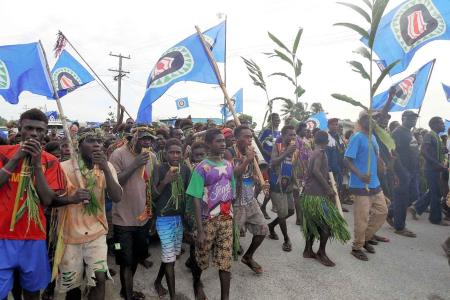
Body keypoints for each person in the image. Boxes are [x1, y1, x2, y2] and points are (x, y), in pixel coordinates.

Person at [0, 109, 66, 300]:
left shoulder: (51, 161)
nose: (34, 134)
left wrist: (37, 164)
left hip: (34, 236)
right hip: (3, 235)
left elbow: (47, 199)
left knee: (32, 291)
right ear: (20, 129)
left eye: (39, 130)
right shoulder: (3, 153)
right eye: (29, 128)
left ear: (45, 132)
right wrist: (16, 159)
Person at [56, 131, 122, 300]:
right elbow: (50, 200)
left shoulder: (107, 167)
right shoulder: (64, 168)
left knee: (99, 279)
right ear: (78, 145)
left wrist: (106, 168)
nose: (97, 144)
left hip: (97, 233)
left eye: (99, 141)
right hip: (70, 236)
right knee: (73, 286)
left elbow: (117, 197)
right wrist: (72, 198)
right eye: (91, 141)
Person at [109, 127, 158, 300]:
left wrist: (151, 213)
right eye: (144, 138)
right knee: (125, 260)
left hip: (141, 218)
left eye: (150, 139)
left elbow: (149, 186)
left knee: (137, 257)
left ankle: (125, 290)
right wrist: (136, 163)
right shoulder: (118, 154)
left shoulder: (151, 156)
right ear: (133, 138)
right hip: (122, 220)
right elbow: (115, 182)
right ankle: (128, 296)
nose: (147, 142)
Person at [186, 128, 235, 300]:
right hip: (207, 221)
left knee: (225, 261)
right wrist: (199, 230)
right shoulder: (201, 168)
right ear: (208, 144)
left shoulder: (229, 165)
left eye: (224, 141)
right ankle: (197, 282)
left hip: (226, 219)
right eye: (218, 141)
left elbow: (231, 192)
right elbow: (196, 199)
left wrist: (231, 217)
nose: (223, 144)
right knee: (201, 258)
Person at [300, 131, 350, 267]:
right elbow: (316, 171)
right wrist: (328, 189)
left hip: (310, 194)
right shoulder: (321, 153)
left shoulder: (314, 152)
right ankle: (321, 253)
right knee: (327, 225)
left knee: (312, 224)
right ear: (327, 142)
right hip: (317, 196)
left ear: (315, 140)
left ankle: (308, 250)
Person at [224, 126, 268, 274]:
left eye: (251, 137)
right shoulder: (228, 152)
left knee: (262, 229)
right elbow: (233, 174)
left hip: (250, 200)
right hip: (235, 203)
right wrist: (247, 160)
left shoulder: (252, 154)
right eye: (247, 137)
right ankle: (224, 268)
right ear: (237, 138)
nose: (250, 140)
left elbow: (251, 175)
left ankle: (248, 257)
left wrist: (260, 181)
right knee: (230, 238)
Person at [344, 111, 388, 261]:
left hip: (375, 183)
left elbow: (376, 155)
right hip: (360, 184)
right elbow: (347, 160)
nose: (373, 121)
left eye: (374, 119)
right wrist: (360, 175)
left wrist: (381, 163)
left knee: (382, 212)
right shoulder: (356, 137)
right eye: (369, 119)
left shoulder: (373, 137)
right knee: (361, 218)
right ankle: (357, 247)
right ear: (362, 120)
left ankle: (366, 238)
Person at [152, 138, 191, 299]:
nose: (175, 155)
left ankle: (157, 282)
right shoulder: (159, 169)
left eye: (178, 152)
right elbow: (153, 195)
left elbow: (190, 195)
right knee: (169, 259)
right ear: (165, 153)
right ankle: (173, 296)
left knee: (171, 257)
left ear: (182, 154)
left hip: (179, 219)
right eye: (171, 152)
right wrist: (165, 180)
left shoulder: (185, 169)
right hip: (164, 219)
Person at [386, 110, 420, 237]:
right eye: (411, 118)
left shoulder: (409, 132)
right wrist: (400, 171)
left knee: (414, 195)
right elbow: (393, 153)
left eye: (415, 118)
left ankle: (390, 212)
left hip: (412, 171)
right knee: (402, 198)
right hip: (402, 171)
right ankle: (400, 227)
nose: (414, 120)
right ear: (403, 118)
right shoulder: (398, 132)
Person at [412, 117, 448, 226]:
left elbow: (434, 151)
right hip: (431, 169)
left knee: (433, 191)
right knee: (436, 193)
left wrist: (443, 150)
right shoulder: (429, 135)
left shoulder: (437, 137)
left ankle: (416, 208)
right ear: (435, 124)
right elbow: (424, 151)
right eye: (441, 123)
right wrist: (437, 164)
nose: (443, 125)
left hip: (436, 169)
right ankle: (435, 219)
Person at [267, 125, 297, 252]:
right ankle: (286, 240)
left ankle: (271, 225)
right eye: (290, 135)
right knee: (282, 214)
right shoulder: (278, 146)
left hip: (288, 185)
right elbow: (273, 162)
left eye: (294, 135)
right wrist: (287, 152)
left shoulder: (294, 148)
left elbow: (292, 166)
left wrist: (295, 182)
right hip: (277, 184)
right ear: (283, 135)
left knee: (291, 211)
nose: (293, 137)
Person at [258, 113, 281, 219]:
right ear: (270, 120)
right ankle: (254, 205)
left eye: (278, 119)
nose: (277, 121)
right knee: (260, 186)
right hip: (265, 163)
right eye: (275, 119)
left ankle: (263, 207)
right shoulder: (266, 132)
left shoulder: (279, 133)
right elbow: (259, 145)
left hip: (274, 164)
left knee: (270, 186)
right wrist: (268, 154)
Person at [326, 118, 348, 212]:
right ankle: (332, 208)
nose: (335, 126)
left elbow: (343, 151)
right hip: (331, 168)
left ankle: (339, 206)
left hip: (340, 167)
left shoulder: (339, 137)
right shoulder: (327, 137)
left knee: (340, 187)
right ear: (328, 126)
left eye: (336, 124)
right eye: (333, 124)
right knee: (332, 189)